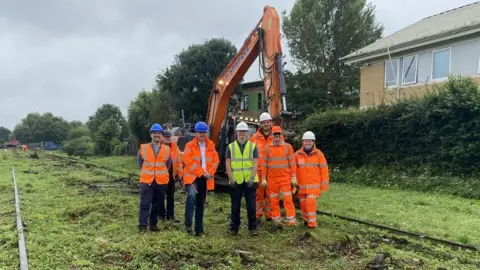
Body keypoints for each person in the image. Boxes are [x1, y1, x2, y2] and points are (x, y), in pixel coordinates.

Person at [182, 121, 219, 236]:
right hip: (192, 178)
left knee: (200, 204)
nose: (202, 134)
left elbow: (215, 161)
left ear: (207, 133)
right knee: (192, 197)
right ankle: (188, 225)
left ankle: (199, 229)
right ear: (195, 133)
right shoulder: (189, 146)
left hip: (205, 179)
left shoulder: (211, 146)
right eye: (200, 132)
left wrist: (210, 172)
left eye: (204, 132)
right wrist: (202, 172)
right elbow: (189, 162)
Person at [225, 122, 259, 236]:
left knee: (251, 206)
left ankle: (253, 228)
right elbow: (228, 164)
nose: (242, 134)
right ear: (236, 133)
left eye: (244, 132)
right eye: (240, 132)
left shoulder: (253, 146)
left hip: (250, 181)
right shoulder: (230, 147)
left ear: (247, 133)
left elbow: (255, 163)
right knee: (235, 206)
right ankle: (234, 228)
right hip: (236, 181)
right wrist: (231, 178)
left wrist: (252, 178)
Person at [137, 123, 172, 233]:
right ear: (151, 135)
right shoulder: (143, 148)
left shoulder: (167, 149)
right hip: (147, 181)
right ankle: (142, 226)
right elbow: (140, 163)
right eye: (154, 133)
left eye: (159, 133)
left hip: (161, 182)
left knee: (157, 205)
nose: (157, 135)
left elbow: (168, 165)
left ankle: (153, 225)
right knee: (145, 204)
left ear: (161, 135)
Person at [250, 112, 284, 224]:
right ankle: (258, 216)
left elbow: (284, 151)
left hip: (272, 171)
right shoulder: (254, 138)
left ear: (272, 122)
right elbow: (250, 155)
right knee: (258, 195)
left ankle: (270, 215)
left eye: (268, 122)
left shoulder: (277, 136)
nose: (266, 124)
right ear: (260, 124)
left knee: (271, 194)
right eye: (264, 122)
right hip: (258, 171)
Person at [260, 125, 297, 226]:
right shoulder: (267, 148)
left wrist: (293, 176)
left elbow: (292, 163)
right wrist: (263, 178)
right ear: (272, 135)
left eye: (278, 134)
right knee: (273, 200)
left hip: (285, 178)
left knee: (288, 199)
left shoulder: (287, 147)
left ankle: (291, 220)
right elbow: (264, 164)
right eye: (275, 134)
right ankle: (276, 219)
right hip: (272, 179)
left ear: (281, 135)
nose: (277, 136)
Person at [295, 131, 329, 229]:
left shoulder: (319, 154)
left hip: (314, 186)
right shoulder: (297, 154)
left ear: (313, 142)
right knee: (303, 204)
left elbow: (324, 169)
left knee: (310, 203)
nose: (308, 143)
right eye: (306, 141)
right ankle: (306, 220)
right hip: (301, 186)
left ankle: (312, 224)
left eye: (310, 141)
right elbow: (293, 169)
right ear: (303, 142)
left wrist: (324, 185)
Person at [161, 130, 184, 223]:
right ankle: (161, 215)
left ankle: (170, 216)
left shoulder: (175, 148)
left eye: (169, 137)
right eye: (166, 137)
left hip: (171, 176)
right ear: (162, 138)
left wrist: (180, 175)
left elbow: (179, 162)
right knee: (160, 197)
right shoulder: (159, 147)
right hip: (161, 177)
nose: (168, 138)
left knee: (171, 196)